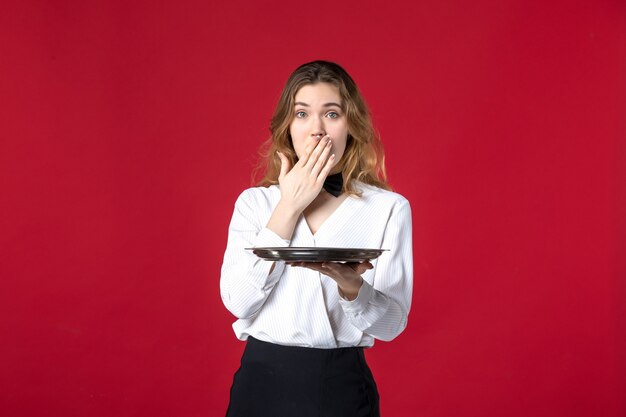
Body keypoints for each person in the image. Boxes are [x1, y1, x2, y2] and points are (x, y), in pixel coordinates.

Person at [220, 60, 413, 417]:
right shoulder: (254, 204)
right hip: (260, 384)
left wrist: (354, 287)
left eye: (332, 114)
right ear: (287, 127)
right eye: (302, 114)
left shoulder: (388, 209)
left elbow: (391, 326)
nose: (317, 131)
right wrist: (289, 206)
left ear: (351, 126)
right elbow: (238, 303)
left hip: (341, 386)